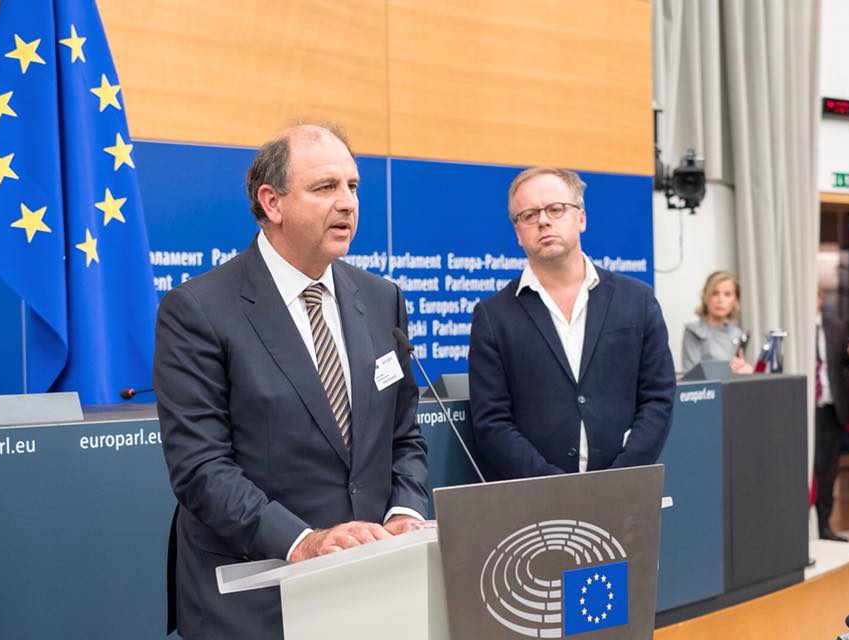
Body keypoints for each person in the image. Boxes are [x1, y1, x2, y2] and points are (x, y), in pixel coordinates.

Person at [153, 122, 429, 639]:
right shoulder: (197, 309)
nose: (347, 203)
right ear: (272, 202)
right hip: (255, 593)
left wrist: (404, 513)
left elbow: (403, 437)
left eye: (354, 186)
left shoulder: (381, 298)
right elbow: (200, 468)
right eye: (326, 187)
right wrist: (303, 540)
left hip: (374, 585)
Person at [468, 167, 676, 480]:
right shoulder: (493, 316)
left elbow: (658, 399)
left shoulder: (638, 300)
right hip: (536, 503)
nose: (543, 220)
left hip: (627, 493)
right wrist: (555, 487)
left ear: (581, 218)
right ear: (517, 233)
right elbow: (492, 422)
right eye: (529, 214)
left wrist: (621, 477)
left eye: (555, 209)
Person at [813, 290, 849, 541]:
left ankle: (824, 525)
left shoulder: (835, 326)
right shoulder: (794, 323)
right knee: (808, 468)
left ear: (820, 298)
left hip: (831, 408)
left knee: (828, 470)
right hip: (806, 407)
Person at [680, 271, 752, 374]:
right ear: (705, 297)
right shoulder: (694, 331)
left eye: (727, 294)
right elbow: (690, 375)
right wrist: (727, 370)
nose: (720, 300)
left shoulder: (737, 334)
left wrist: (746, 371)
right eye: (715, 293)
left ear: (735, 300)